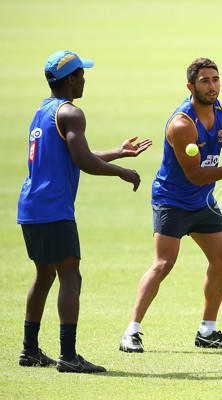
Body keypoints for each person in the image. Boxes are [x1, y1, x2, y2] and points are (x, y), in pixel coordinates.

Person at [119, 57, 222, 353]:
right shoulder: (182, 124)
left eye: (216, 79)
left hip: (203, 200)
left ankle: (207, 332)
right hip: (172, 200)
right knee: (163, 264)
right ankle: (131, 332)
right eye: (205, 81)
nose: (212, 86)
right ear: (190, 86)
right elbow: (194, 175)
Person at [17, 50, 152, 373]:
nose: (85, 80)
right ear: (71, 79)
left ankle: (30, 350)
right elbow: (83, 160)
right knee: (70, 276)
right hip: (54, 208)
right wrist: (120, 171)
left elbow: (77, 151)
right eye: (82, 74)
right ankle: (68, 355)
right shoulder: (73, 113)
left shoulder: (44, 111)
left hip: (31, 206)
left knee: (45, 274)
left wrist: (119, 152)